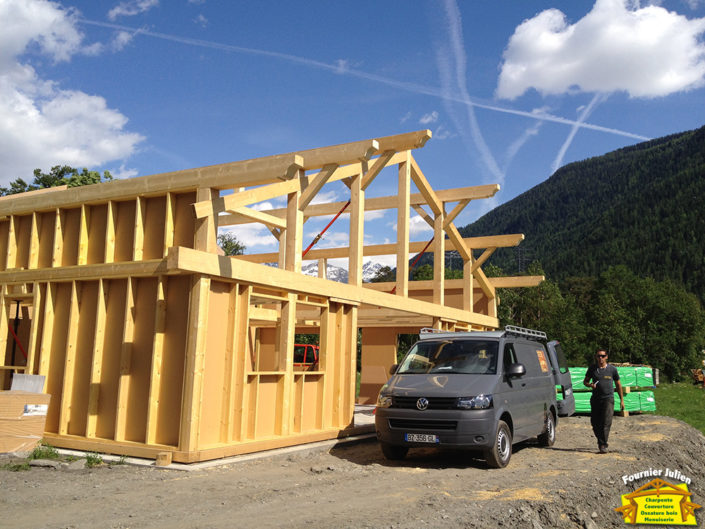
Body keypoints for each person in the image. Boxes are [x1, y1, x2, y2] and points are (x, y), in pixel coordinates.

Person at [583, 349, 624, 453]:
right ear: (596, 357)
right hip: (596, 399)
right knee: (595, 422)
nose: (600, 358)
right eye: (598, 356)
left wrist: (621, 400)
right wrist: (590, 385)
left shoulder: (612, 369)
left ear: (606, 357)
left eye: (602, 356)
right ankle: (600, 440)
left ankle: (603, 444)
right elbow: (585, 381)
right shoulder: (592, 369)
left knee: (606, 422)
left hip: (608, 399)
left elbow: (618, 385)